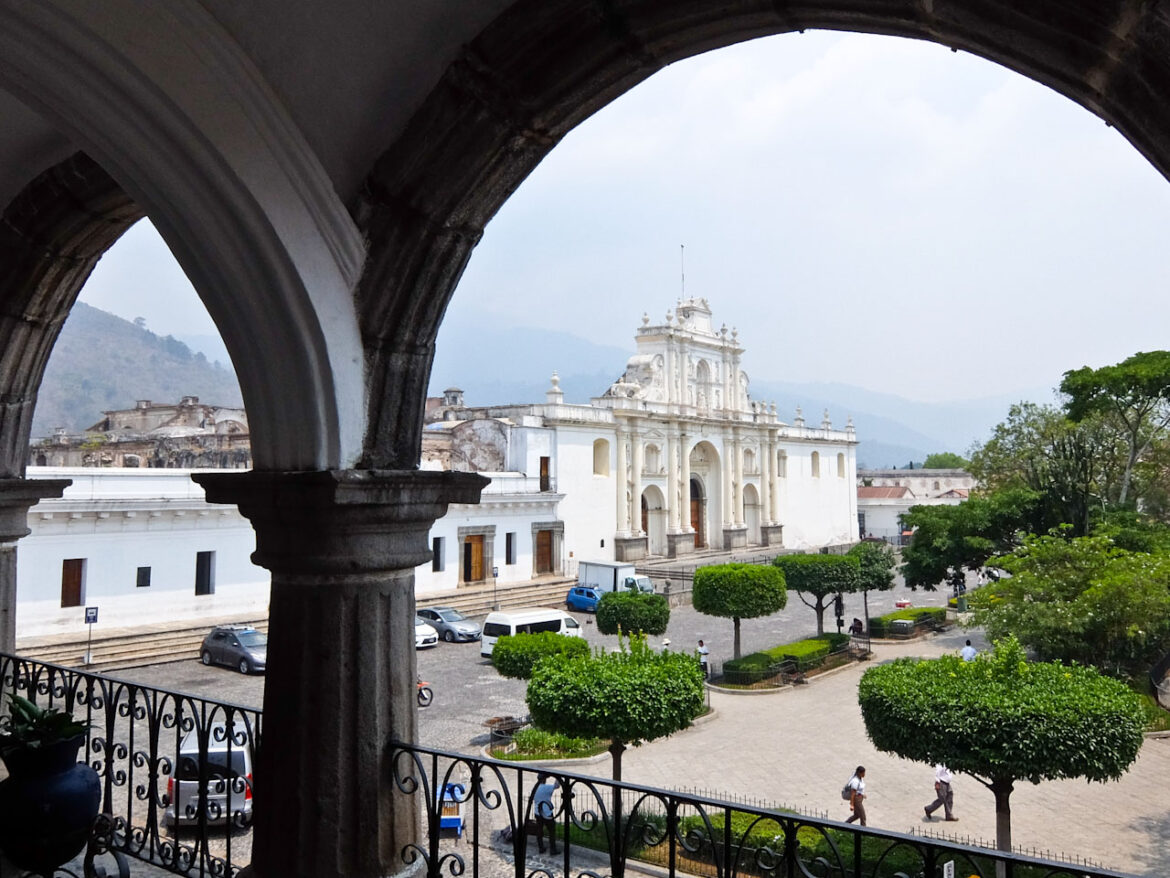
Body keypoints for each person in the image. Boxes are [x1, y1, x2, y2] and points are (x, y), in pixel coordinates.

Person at [532, 773, 558, 854]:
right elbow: (556, 786)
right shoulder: (547, 788)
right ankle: (553, 849)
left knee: (539, 830)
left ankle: (541, 847)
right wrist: (558, 778)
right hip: (547, 813)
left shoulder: (535, 788)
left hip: (537, 812)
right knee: (551, 831)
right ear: (544, 779)